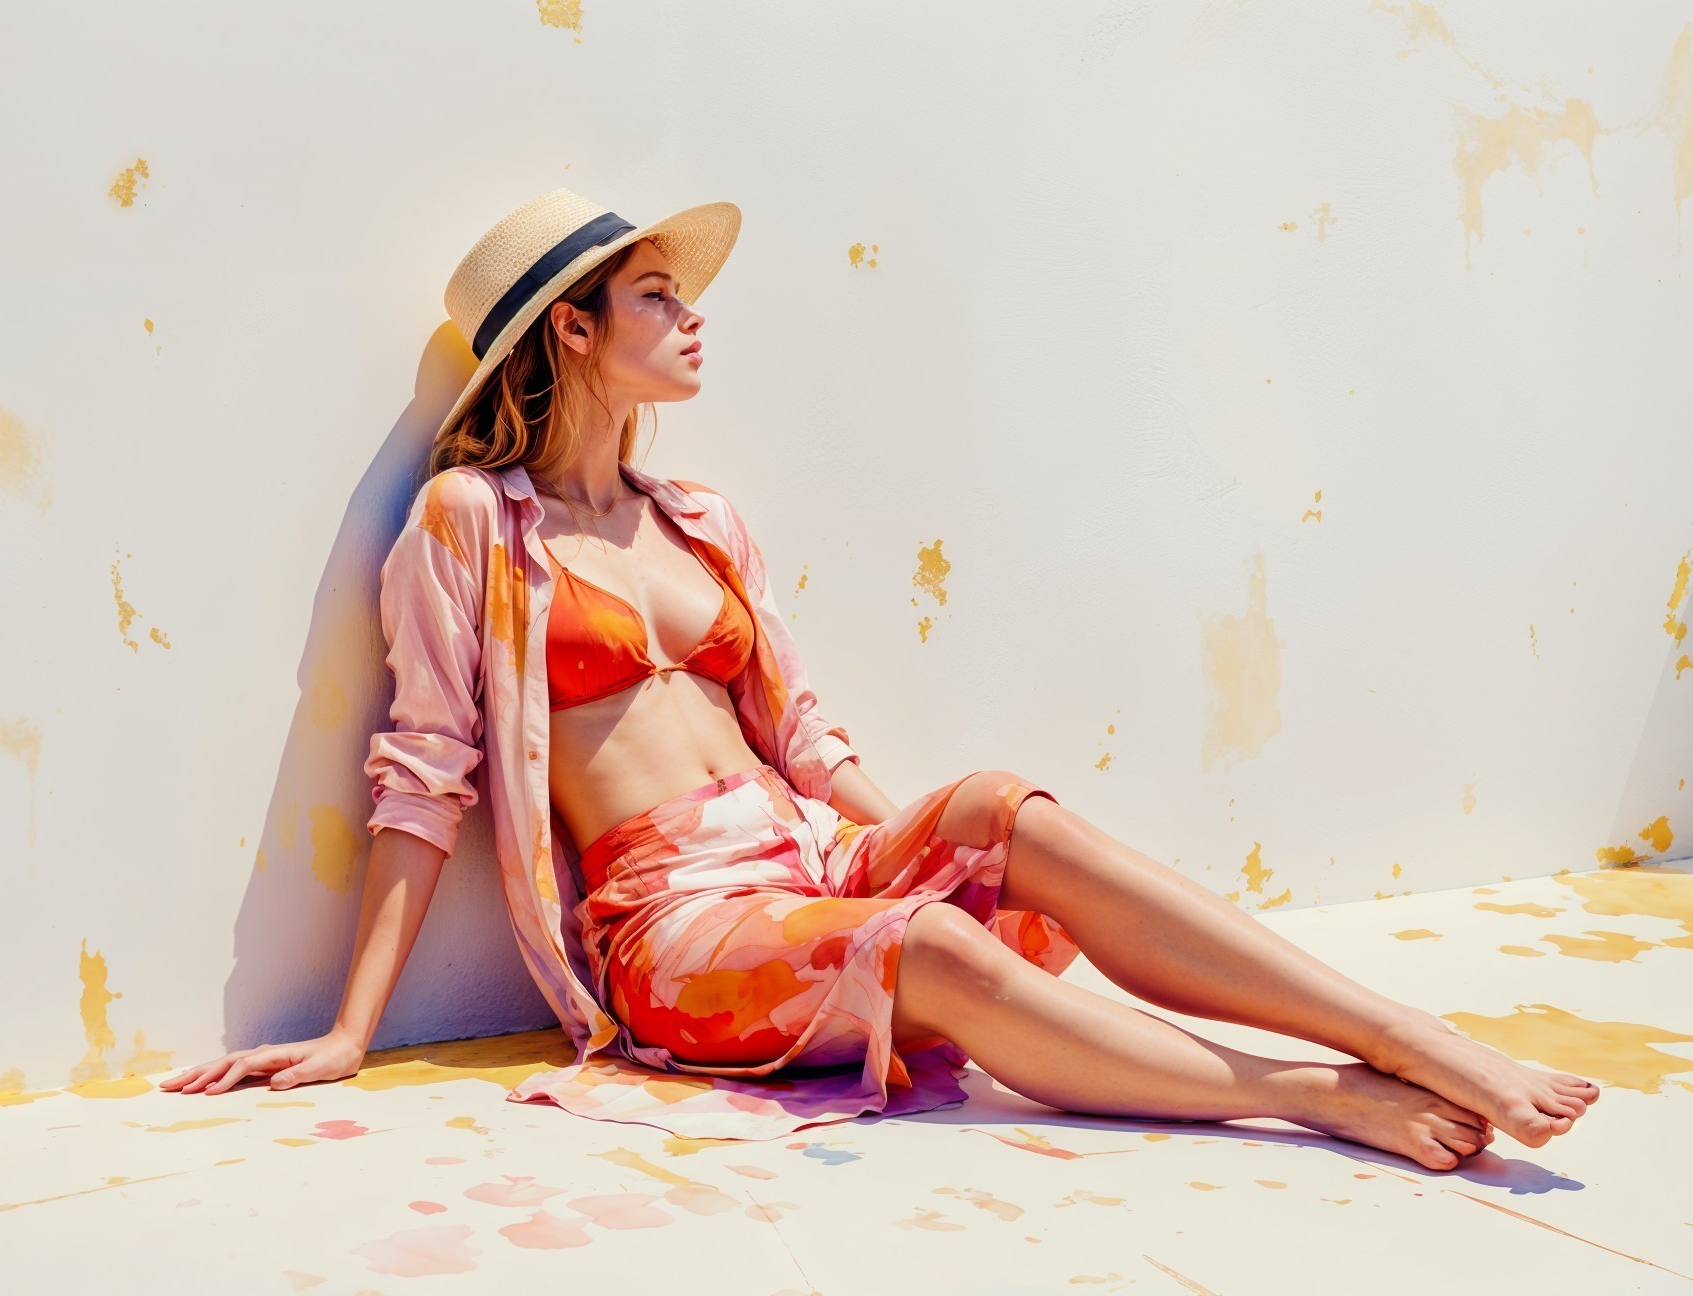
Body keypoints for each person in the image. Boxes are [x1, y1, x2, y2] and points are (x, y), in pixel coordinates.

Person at [161, 188, 1599, 1169]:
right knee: (938, 953)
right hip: (678, 930)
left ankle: (1400, 1031)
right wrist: (349, 1031)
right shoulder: (472, 522)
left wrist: (932, 840)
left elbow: (792, 726)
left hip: (804, 853)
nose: (694, 316)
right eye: (656, 295)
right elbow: (427, 772)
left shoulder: (700, 519)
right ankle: (1314, 1097)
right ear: (573, 330)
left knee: (1004, 806)